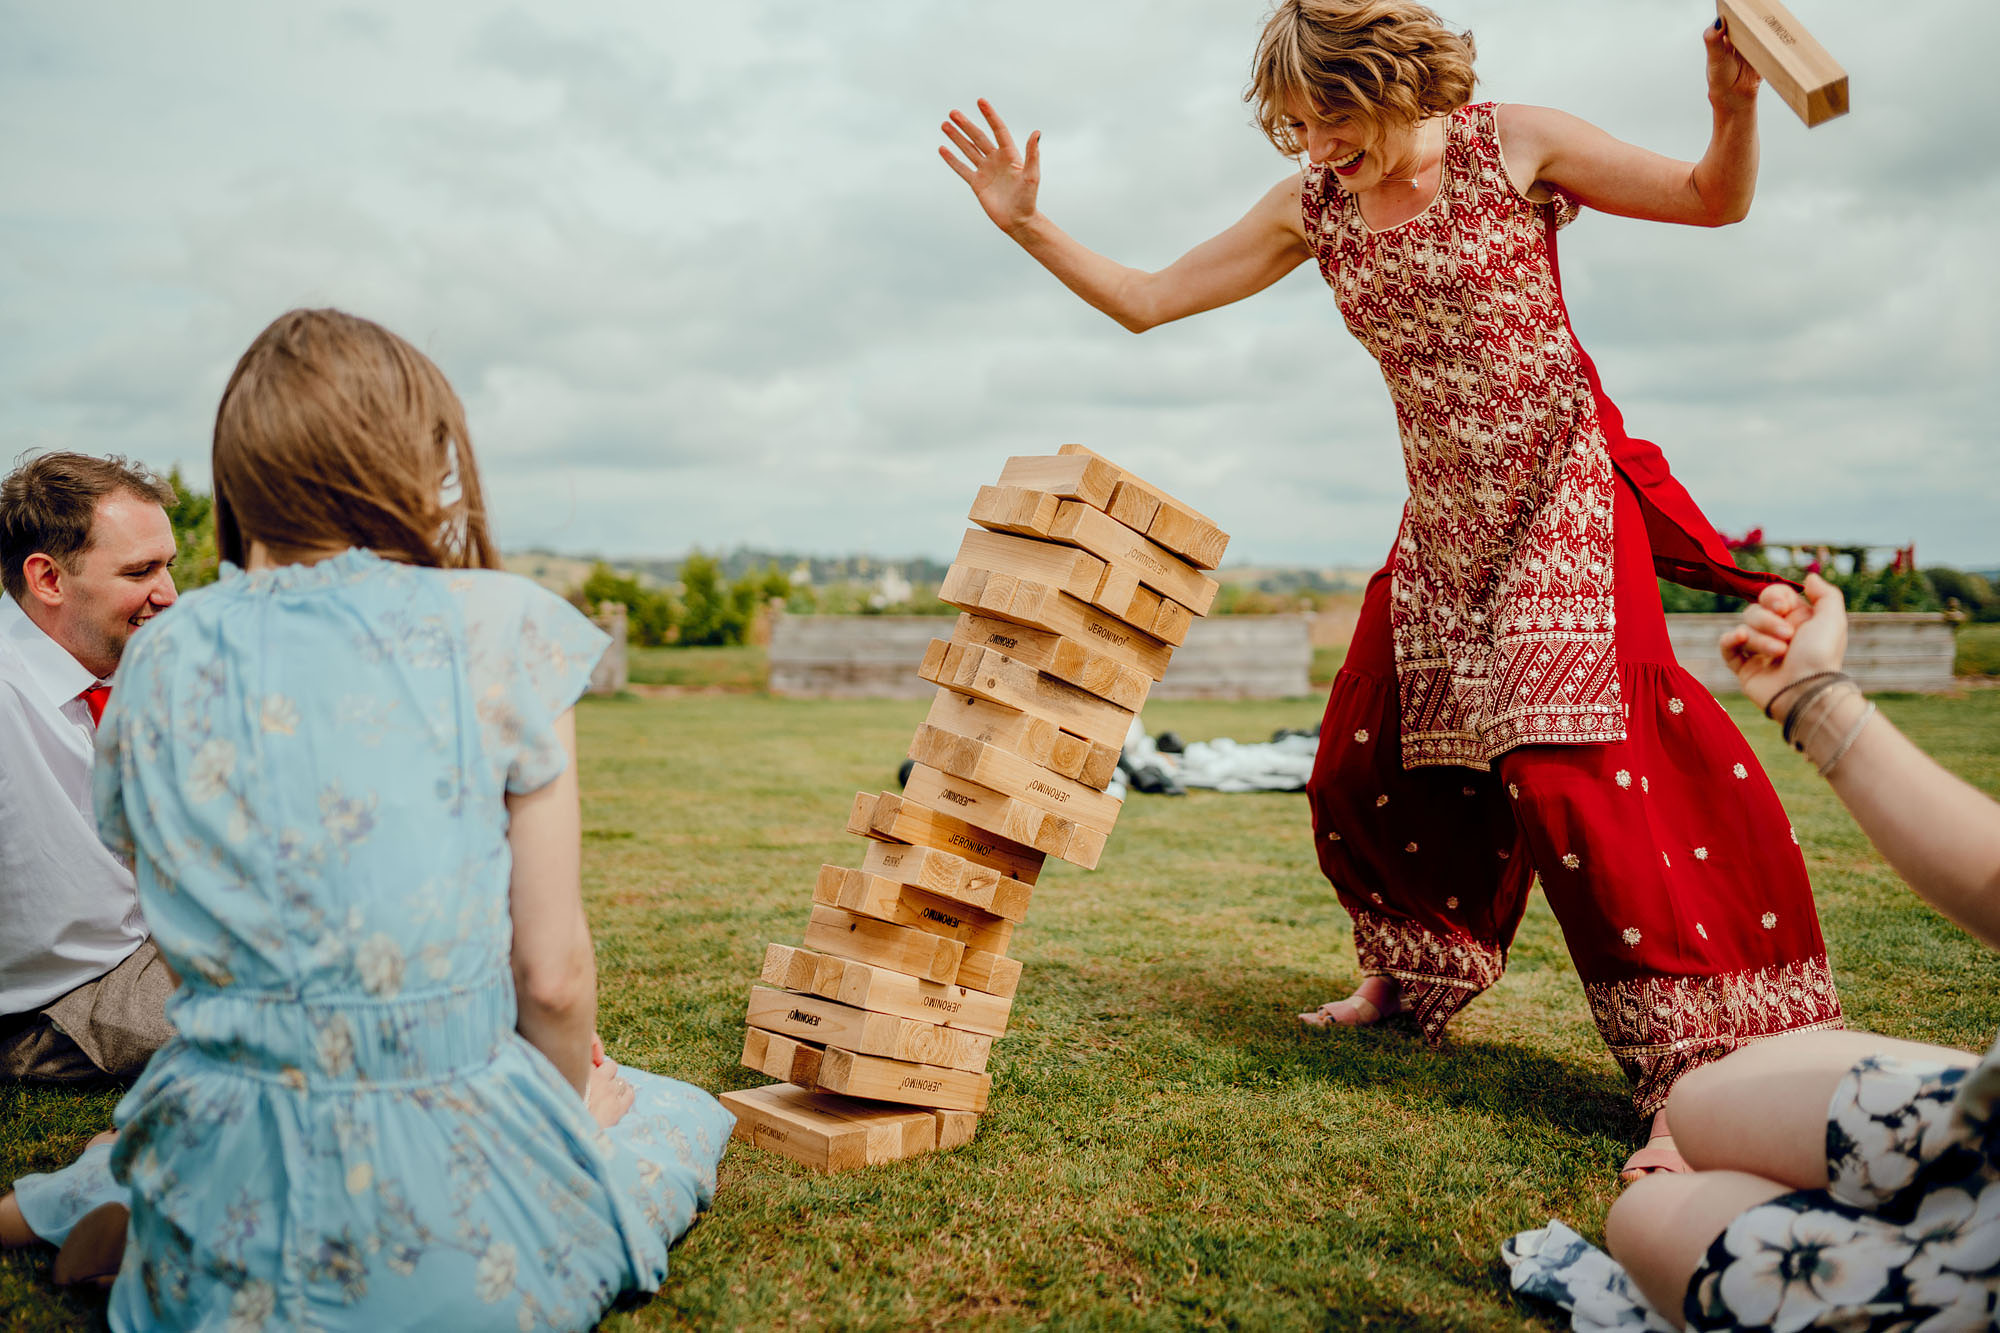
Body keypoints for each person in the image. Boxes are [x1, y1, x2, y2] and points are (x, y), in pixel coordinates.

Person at [938, 0, 1843, 1175]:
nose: (1315, 149)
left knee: (1574, 771)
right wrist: (1026, 226)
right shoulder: (1312, 206)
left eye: (1330, 119)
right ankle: (1410, 976)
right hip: (1445, 518)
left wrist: (1730, 112)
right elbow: (1149, 299)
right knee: (1370, 755)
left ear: (1394, 78)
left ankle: (1694, 1071)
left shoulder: (1511, 144)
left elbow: (1711, 200)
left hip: (1563, 488)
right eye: (1294, 129)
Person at [0, 308, 731, 1329]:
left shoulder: (162, 653)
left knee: (204, 1112)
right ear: (414, 455)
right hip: (435, 1192)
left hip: (226, 1149)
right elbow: (553, 978)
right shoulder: (502, 628)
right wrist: (570, 1124)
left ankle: (130, 1194)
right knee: (667, 1112)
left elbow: (148, 879)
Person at [1506, 573, 2000, 1330]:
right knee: (1702, 1098)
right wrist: (1816, 695)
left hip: (1971, 1288)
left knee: (1648, 1217)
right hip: (1985, 1121)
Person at [0, 452, 180, 1082]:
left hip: (160, 935)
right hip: (70, 998)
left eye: (169, 566)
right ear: (48, 579)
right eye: (141, 571)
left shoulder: (121, 669)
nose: (169, 594)